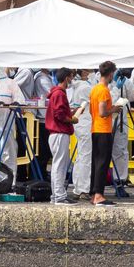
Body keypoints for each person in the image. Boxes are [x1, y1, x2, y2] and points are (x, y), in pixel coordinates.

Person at [90, 61, 124, 206]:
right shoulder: (104, 90)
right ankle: (98, 194)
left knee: (96, 162)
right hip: (103, 129)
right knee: (102, 163)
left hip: (95, 128)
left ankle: (94, 193)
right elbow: (103, 111)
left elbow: (94, 111)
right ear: (110, 74)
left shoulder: (94, 89)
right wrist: (114, 109)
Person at [46, 68, 79, 205]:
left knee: (57, 165)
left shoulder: (55, 93)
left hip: (55, 133)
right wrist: (72, 119)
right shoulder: (60, 93)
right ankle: (59, 196)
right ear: (66, 78)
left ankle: (56, 195)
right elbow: (59, 115)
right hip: (60, 132)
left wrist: (71, 113)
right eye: (71, 77)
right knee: (60, 165)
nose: (71, 80)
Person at [110, 68, 134, 197]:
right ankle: (96, 186)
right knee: (101, 154)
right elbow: (109, 100)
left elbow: (132, 96)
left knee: (121, 152)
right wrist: (116, 87)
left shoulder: (125, 79)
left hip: (121, 120)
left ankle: (120, 182)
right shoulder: (100, 79)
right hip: (108, 119)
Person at [69, 69, 94, 200]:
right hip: (85, 123)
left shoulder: (75, 86)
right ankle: (84, 189)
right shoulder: (85, 87)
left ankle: (78, 187)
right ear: (85, 72)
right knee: (85, 157)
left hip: (80, 123)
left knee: (80, 156)